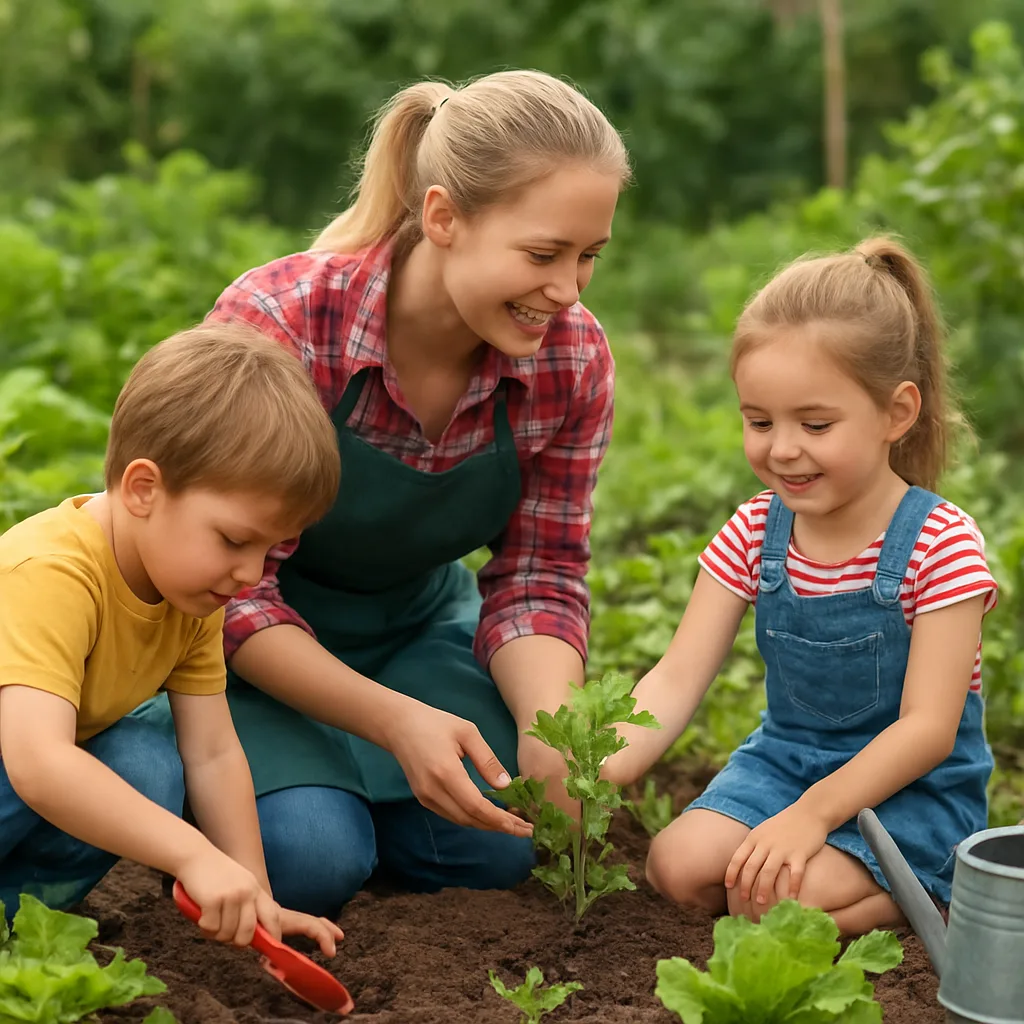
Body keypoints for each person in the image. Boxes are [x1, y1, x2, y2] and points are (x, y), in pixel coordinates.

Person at [131, 69, 630, 919]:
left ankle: (375, 806)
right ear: (443, 218)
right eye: (543, 254)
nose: (569, 289)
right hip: (244, 642)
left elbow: (539, 573)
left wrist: (555, 735)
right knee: (311, 858)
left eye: (589, 257)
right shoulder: (285, 323)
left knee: (496, 842)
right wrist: (395, 723)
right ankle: (199, 779)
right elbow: (232, 590)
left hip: (415, 630)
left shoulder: (570, 359)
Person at [603, 237, 997, 936]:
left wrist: (813, 817)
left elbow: (929, 730)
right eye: (759, 421)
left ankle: (933, 889)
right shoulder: (758, 530)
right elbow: (674, 677)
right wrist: (595, 769)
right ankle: (868, 890)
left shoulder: (939, 544)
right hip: (786, 764)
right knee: (676, 865)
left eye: (814, 424)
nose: (781, 448)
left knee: (780, 902)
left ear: (896, 414)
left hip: (909, 786)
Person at [0, 323, 344, 957]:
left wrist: (252, 890)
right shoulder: (52, 571)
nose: (250, 573)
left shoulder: (190, 589)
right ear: (143, 489)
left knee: (147, 764)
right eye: (235, 540)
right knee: (123, 770)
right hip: (17, 765)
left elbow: (211, 752)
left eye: (270, 548)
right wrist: (191, 853)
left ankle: (20, 931)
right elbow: (39, 763)